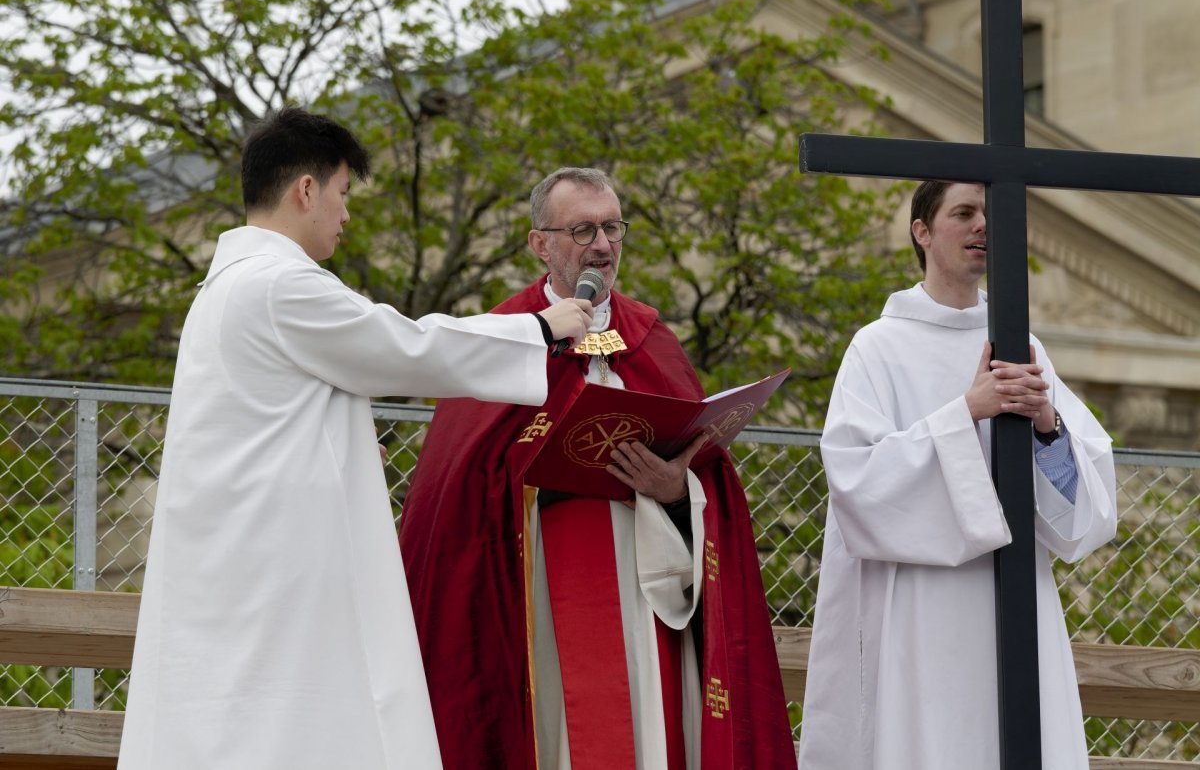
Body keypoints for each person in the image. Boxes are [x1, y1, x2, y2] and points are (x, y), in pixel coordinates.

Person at [117, 108, 592, 770]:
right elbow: (401, 345)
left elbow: (271, 416)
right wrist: (537, 329)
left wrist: (332, 446)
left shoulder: (226, 287)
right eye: (342, 194)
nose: (346, 215)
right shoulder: (281, 284)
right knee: (291, 725)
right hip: (277, 569)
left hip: (244, 559)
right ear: (305, 190)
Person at [399, 167, 795, 769]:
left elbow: (708, 472)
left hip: (647, 580)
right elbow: (458, 482)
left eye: (612, 228)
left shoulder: (652, 338)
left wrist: (677, 489)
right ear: (541, 243)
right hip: (537, 584)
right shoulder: (501, 338)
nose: (603, 246)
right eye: (583, 230)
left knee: (648, 730)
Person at [798, 181, 1118, 770]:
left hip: (1017, 597)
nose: (980, 227)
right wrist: (966, 412)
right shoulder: (878, 347)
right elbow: (855, 483)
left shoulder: (1021, 342)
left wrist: (1047, 424)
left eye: (988, 215)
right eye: (963, 214)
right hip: (923, 608)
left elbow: (1084, 509)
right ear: (922, 232)